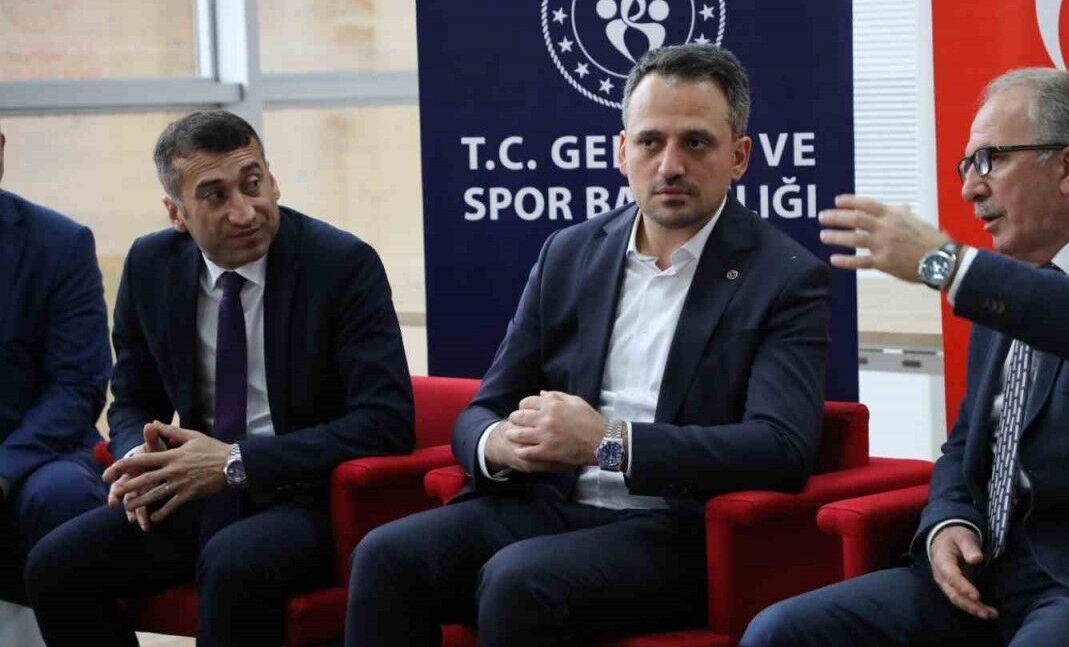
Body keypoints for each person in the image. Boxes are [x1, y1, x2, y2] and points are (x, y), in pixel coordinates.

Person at [343, 44, 832, 646]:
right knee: (385, 556)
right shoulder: (570, 252)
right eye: (650, 142)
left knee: (519, 581)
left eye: (696, 143)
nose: (670, 165)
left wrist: (609, 443)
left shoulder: (784, 277)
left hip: (672, 529)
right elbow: (482, 409)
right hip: (545, 503)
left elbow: (781, 447)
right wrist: (501, 444)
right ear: (622, 152)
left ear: (739, 157)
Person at [742, 67, 1069, 646]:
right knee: (780, 631)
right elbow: (965, 447)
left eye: (989, 160)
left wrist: (947, 265)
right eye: (966, 167)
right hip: (986, 575)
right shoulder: (1004, 286)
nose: (970, 190)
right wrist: (947, 522)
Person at [24, 111, 416, 646]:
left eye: (253, 184)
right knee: (55, 564)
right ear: (177, 213)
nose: (244, 211)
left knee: (233, 563)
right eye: (215, 196)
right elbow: (133, 398)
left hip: (306, 493)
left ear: (272, 180)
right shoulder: (150, 265)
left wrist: (236, 462)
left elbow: (386, 422)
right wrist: (139, 458)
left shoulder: (341, 264)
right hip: (194, 488)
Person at [0, 121, 112, 604]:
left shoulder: (60, 243)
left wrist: (3, 469)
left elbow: (78, 384)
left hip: (32, 452)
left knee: (65, 494)